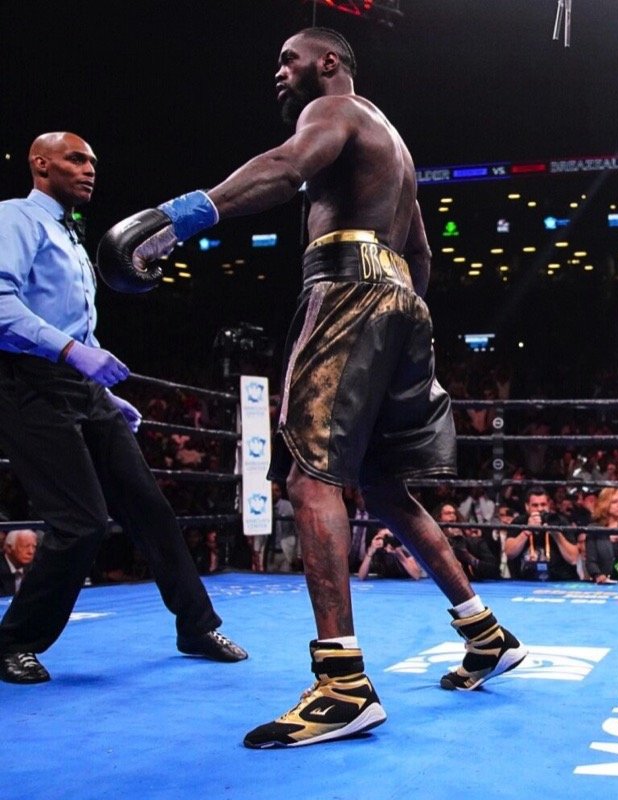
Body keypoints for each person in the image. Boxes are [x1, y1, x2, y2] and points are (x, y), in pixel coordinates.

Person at [99, 29, 525, 747]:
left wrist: (179, 217)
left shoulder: (336, 113)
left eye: (288, 59)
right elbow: (419, 252)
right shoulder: (395, 148)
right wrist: (397, 323)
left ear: (329, 63)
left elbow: (287, 166)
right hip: (401, 301)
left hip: (347, 288)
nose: (279, 72)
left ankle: (342, 685)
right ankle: (485, 633)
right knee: (386, 489)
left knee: (307, 474)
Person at [0, 132, 247, 685]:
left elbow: (70, 326)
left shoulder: (69, 236)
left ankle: (196, 626)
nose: (89, 169)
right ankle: (13, 641)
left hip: (77, 387)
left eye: (93, 161)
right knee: (81, 522)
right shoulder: (15, 219)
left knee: (150, 508)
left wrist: (101, 389)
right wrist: (74, 353)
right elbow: (0, 304)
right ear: (40, 164)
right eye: (75, 159)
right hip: (26, 386)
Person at [0, 529, 39, 597]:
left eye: (34, 547)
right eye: (26, 546)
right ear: (9, 548)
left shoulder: (37, 567)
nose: (31, 552)